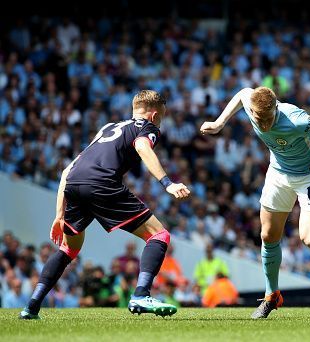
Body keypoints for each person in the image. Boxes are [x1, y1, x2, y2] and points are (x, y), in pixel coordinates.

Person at [200, 86, 310, 319]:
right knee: (268, 235)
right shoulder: (253, 106)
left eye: (267, 119)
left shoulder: (296, 119)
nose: (262, 124)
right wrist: (220, 123)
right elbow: (242, 93)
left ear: (276, 108)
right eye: (258, 119)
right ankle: (272, 295)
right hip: (279, 173)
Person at [19, 90, 191, 319]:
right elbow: (142, 146)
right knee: (159, 236)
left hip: (74, 182)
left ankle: (31, 307)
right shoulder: (147, 128)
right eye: (162, 117)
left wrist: (59, 214)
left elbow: (67, 170)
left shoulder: (107, 128)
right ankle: (140, 295)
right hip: (101, 182)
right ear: (154, 115)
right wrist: (167, 183)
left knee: (68, 248)